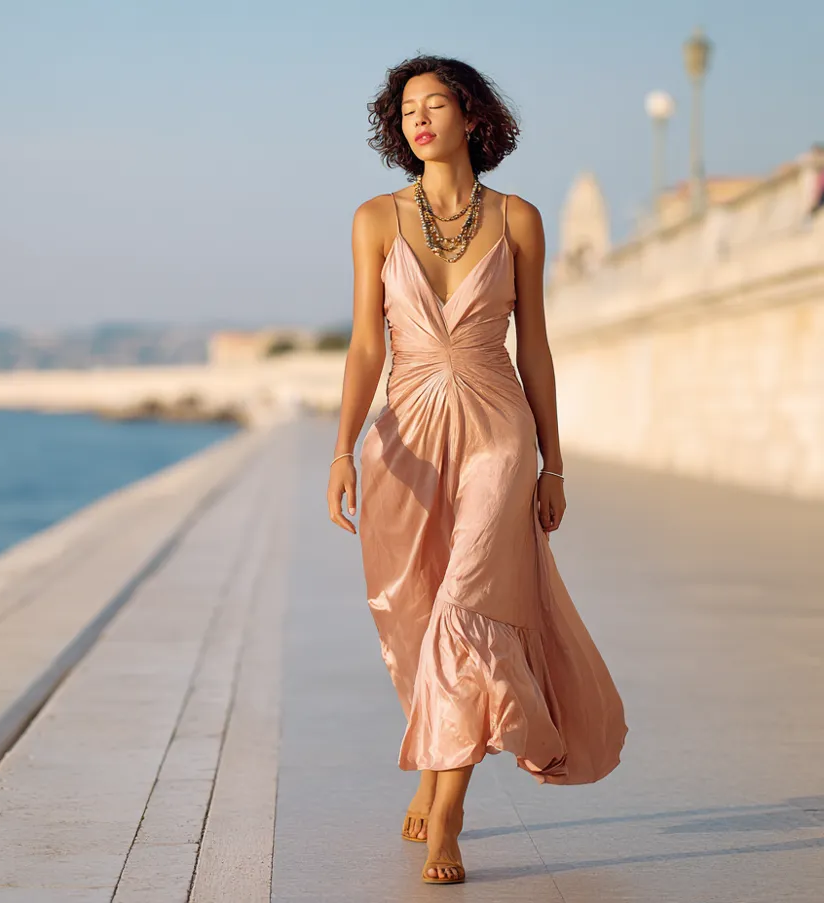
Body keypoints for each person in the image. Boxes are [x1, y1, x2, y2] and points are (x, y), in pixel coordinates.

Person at [325, 55, 627, 886]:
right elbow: (364, 344)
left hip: (498, 429)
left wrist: (553, 463)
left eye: (435, 104)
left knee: (465, 608)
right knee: (414, 616)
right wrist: (343, 447)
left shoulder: (520, 219)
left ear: (470, 115)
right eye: (407, 109)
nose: (419, 119)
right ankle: (435, 763)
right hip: (404, 438)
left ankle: (449, 813)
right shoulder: (374, 219)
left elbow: (535, 345)